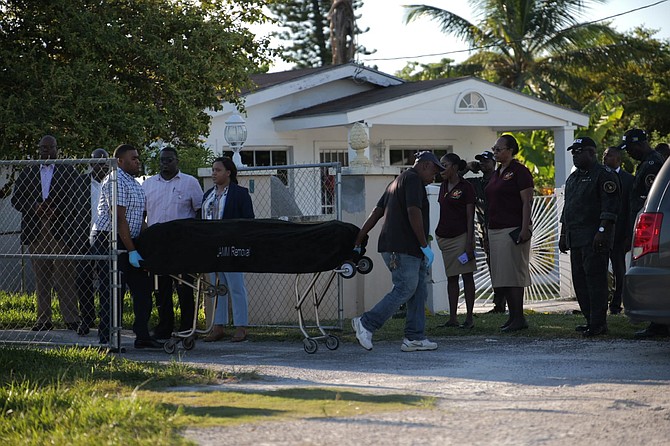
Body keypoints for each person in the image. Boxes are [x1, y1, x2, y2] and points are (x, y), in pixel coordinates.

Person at [350, 151, 444, 352]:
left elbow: (377, 212)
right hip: (403, 247)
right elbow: (413, 211)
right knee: (405, 287)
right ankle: (367, 323)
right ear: (426, 165)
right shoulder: (413, 180)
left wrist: (360, 237)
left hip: (405, 247)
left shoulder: (397, 181)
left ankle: (415, 337)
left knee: (419, 290)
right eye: (434, 171)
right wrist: (424, 245)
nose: (434, 177)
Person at [91, 143, 162, 349]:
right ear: (120, 161)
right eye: (133, 158)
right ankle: (108, 338)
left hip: (129, 240)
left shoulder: (135, 183)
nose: (137, 161)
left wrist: (145, 242)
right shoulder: (115, 180)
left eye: (138, 158)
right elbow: (119, 218)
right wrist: (131, 250)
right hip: (109, 238)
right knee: (113, 290)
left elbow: (138, 219)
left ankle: (142, 335)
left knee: (142, 289)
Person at [11, 135, 80, 331]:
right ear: (38, 149)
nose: (47, 151)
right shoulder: (29, 171)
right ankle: (43, 320)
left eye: (50, 147)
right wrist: (34, 207)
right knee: (41, 277)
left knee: (65, 274)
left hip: (60, 228)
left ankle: (71, 319)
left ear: (57, 149)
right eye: (43, 148)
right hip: (36, 228)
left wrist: (57, 209)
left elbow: (76, 198)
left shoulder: (68, 171)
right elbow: (16, 200)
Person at [559, 137, 620, 336]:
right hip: (575, 237)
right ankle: (589, 320)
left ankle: (598, 323)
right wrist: (563, 234)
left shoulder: (604, 175)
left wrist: (602, 232)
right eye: (573, 152)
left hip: (594, 238)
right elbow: (567, 209)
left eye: (579, 151)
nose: (575, 155)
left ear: (592, 153)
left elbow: (609, 208)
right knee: (580, 281)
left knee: (595, 281)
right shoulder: (573, 178)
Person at [143, 147, 203, 339]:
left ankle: (187, 328)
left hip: (182, 244)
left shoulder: (190, 182)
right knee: (161, 288)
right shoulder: (149, 184)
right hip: (158, 244)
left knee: (185, 287)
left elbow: (199, 211)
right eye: (162, 160)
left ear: (177, 160)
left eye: (169, 160)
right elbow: (142, 214)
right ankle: (164, 327)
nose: (165, 163)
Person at [618, 128, 669, 339]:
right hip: (643, 224)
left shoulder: (652, 165)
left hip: (650, 226)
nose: (628, 153)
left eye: (630, 148)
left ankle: (658, 325)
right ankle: (657, 324)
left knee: (649, 270)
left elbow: (649, 199)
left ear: (639, 144)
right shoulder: (647, 163)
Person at [201, 157, 254, 343]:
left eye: (218, 170)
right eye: (213, 170)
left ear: (228, 172)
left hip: (232, 248)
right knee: (217, 287)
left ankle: (241, 326)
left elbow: (248, 221)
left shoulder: (240, 194)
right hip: (211, 247)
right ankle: (218, 326)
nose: (214, 173)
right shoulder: (208, 194)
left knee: (236, 286)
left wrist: (240, 243)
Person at [484, 134, 533, 332]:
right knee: (502, 276)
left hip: (512, 228)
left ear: (510, 150)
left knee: (513, 275)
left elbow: (526, 202)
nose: (495, 152)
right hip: (495, 228)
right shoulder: (497, 173)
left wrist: (524, 228)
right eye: (494, 149)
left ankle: (518, 318)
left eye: (499, 149)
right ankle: (512, 316)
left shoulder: (520, 171)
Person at [436, 153, 477, 329]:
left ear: (454, 167)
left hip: (461, 236)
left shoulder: (466, 187)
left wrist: (469, 242)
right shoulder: (443, 185)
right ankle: (453, 318)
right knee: (451, 277)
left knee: (467, 276)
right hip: (444, 237)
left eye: (444, 165)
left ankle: (469, 317)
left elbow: (470, 217)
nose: (441, 169)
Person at [74, 148, 109, 335]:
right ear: (91, 163)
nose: (101, 165)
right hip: (83, 239)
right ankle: (86, 318)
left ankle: (106, 321)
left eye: (104, 162)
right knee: (82, 279)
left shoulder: (114, 183)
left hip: (106, 240)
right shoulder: (79, 182)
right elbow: (70, 211)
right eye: (97, 161)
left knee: (105, 282)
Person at [466, 150, 505, 313]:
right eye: (480, 161)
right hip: (484, 232)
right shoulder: (476, 183)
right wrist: (468, 167)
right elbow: (455, 178)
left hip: (501, 229)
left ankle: (504, 302)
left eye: (486, 161)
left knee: (503, 267)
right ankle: (499, 304)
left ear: (494, 163)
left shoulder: (500, 179)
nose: (483, 163)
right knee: (492, 266)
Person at [602, 146, 634, 315]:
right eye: (604, 155)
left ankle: (616, 303)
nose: (605, 158)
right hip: (603, 231)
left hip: (621, 233)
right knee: (600, 268)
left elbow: (631, 208)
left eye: (609, 156)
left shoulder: (629, 180)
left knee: (619, 268)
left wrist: (630, 234)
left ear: (618, 159)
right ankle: (601, 301)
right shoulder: (600, 177)